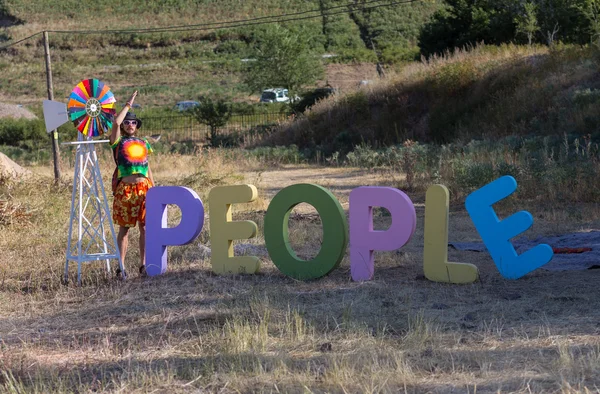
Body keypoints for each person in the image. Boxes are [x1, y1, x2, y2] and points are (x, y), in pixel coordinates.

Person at [109, 91, 155, 276]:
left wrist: (154, 187)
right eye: (127, 122)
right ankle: (121, 267)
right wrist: (128, 104)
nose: (130, 124)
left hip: (144, 188)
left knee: (145, 227)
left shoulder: (143, 143)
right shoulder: (118, 142)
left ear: (137, 126)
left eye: (133, 122)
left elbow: (147, 166)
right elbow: (115, 123)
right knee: (125, 229)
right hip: (125, 189)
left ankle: (143, 265)